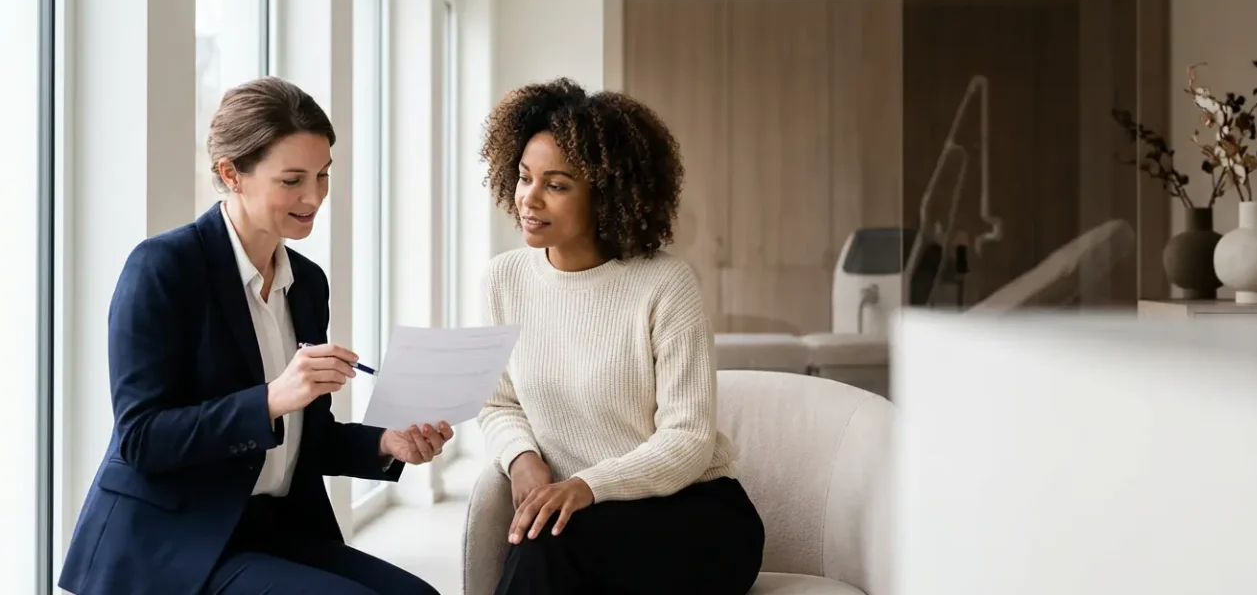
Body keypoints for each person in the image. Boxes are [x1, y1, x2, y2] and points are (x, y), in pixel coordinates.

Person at [59, 77, 448, 595]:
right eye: (292, 180)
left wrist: (385, 443)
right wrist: (271, 398)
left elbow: (306, 439)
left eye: (323, 175)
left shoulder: (306, 283)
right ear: (231, 174)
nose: (314, 197)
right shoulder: (163, 268)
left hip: (277, 529)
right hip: (179, 541)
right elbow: (141, 438)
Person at [476, 78, 766, 595]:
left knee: (546, 549)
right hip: (578, 516)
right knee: (545, 543)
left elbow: (689, 439)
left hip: (694, 516)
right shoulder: (504, 279)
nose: (530, 199)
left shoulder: (665, 283)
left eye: (557, 185)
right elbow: (498, 403)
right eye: (524, 178)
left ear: (606, 195)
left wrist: (589, 485)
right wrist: (522, 459)